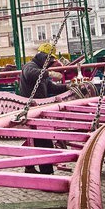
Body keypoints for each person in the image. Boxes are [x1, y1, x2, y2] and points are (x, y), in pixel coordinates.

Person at [18, 42, 69, 175]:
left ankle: (31, 168)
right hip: (33, 110)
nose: (49, 63)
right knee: (43, 140)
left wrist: (68, 87)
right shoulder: (30, 66)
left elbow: (51, 87)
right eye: (49, 60)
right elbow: (30, 74)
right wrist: (48, 73)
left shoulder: (39, 69)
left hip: (38, 109)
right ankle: (47, 173)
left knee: (41, 140)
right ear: (42, 57)